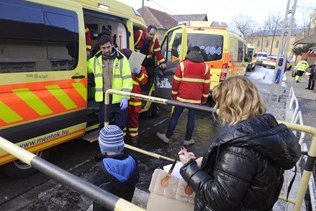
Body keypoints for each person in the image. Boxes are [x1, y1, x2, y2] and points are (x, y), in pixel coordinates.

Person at [178, 76, 301, 210]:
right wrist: (209, 161)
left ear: (231, 105)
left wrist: (189, 167)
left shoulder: (239, 147)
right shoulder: (267, 131)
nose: (219, 110)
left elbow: (220, 200)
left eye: (220, 103)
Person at [156, 46, 210, 145]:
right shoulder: (205, 67)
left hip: (181, 97)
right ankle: (187, 140)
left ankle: (167, 137)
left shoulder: (183, 64)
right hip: (195, 99)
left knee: (175, 116)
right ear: (199, 52)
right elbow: (206, 85)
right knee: (191, 118)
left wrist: (174, 95)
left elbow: (176, 82)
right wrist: (204, 99)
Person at [87, 35, 132, 129]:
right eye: (103, 48)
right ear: (99, 47)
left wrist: (125, 97)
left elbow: (127, 79)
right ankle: (107, 141)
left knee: (121, 124)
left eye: (108, 47)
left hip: (119, 97)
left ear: (112, 45)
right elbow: (84, 68)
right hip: (105, 98)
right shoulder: (95, 60)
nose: (106, 50)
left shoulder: (122, 59)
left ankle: (113, 137)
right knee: (103, 123)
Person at [91, 125, 139, 211]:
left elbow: (96, 192)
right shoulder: (133, 161)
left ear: (102, 146)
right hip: (125, 205)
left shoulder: (101, 169)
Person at [120, 48, 148, 145]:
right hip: (123, 98)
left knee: (133, 121)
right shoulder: (120, 66)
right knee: (122, 120)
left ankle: (134, 139)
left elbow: (144, 81)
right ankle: (121, 139)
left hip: (135, 100)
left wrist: (139, 72)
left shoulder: (139, 66)